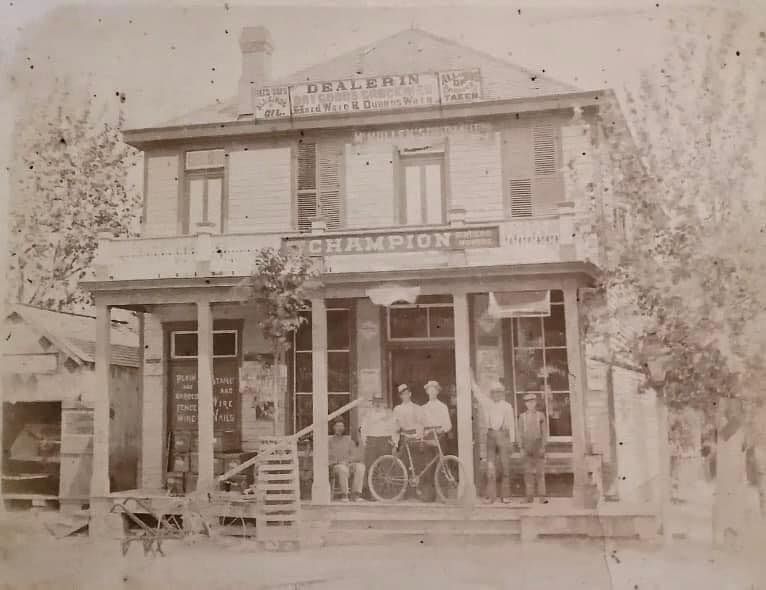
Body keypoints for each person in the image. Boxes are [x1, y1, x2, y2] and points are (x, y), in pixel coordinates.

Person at [471, 374, 515, 504]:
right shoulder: (487, 403)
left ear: (502, 394)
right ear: (491, 394)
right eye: (494, 392)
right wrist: (471, 379)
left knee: (505, 466)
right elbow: (477, 393)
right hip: (490, 436)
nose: (496, 395)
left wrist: (512, 442)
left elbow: (511, 425)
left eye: (498, 392)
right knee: (490, 466)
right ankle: (491, 496)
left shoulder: (507, 406)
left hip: (503, 436)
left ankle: (505, 496)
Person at [419, 380, 452, 502]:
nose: (431, 392)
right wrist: (422, 435)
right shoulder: (423, 408)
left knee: (442, 464)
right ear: (427, 392)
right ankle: (429, 495)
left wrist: (441, 430)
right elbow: (421, 425)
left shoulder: (442, 407)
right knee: (428, 465)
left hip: (439, 436)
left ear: (437, 391)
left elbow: (448, 425)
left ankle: (443, 495)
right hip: (428, 436)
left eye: (434, 390)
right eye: (429, 390)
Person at [360, 394, 396, 499]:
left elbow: (393, 428)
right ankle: (370, 493)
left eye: (380, 401)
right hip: (372, 441)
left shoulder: (388, 414)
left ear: (383, 402)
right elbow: (363, 428)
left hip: (385, 440)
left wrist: (394, 441)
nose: (378, 403)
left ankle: (384, 493)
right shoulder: (368, 414)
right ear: (372, 403)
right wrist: (365, 441)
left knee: (385, 467)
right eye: (375, 401)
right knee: (371, 466)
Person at [518, 393, 548, 503]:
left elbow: (544, 433)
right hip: (527, 446)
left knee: (540, 472)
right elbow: (520, 433)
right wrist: (521, 447)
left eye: (532, 402)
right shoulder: (522, 417)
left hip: (538, 445)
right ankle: (529, 496)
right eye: (528, 402)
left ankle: (542, 496)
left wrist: (543, 446)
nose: (530, 404)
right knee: (528, 473)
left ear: (535, 403)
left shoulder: (540, 415)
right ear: (525, 404)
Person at [328, 419, 365, 502]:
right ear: (333, 427)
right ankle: (344, 495)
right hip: (335, 466)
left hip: (347, 464)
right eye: (337, 426)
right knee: (342, 469)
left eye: (342, 426)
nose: (340, 428)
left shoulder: (348, 440)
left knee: (360, 467)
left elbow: (354, 455)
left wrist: (348, 461)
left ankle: (356, 494)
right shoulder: (329, 441)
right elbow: (328, 456)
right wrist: (339, 462)